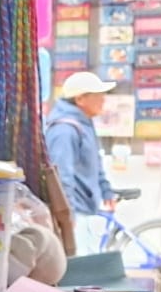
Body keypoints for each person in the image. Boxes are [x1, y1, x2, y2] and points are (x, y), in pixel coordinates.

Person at [45, 71, 118, 255]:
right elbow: (62, 176)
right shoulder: (64, 130)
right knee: (79, 264)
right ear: (80, 99)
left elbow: (95, 162)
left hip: (85, 209)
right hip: (76, 212)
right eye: (98, 95)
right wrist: (67, 215)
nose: (103, 100)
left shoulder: (84, 124)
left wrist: (105, 188)